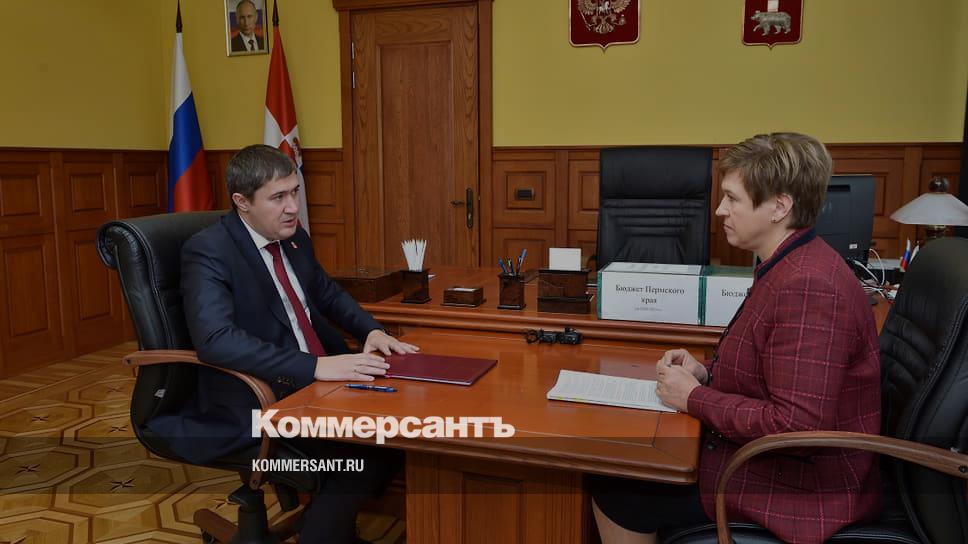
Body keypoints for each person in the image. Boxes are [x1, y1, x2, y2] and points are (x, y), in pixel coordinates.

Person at [589, 133, 881, 544]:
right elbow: (769, 369)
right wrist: (706, 373)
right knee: (624, 461)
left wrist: (693, 397)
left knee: (617, 486)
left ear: (779, 206)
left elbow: (796, 426)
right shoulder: (789, 264)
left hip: (800, 488)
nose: (719, 210)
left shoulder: (809, 286)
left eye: (732, 198)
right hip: (773, 464)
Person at [151, 144, 418, 543]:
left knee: (400, 431)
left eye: (295, 192)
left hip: (314, 381)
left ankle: (321, 526)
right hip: (257, 394)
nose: (293, 207)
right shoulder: (209, 251)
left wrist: (371, 331)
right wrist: (315, 366)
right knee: (366, 453)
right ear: (242, 202)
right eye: (278, 197)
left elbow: (327, 293)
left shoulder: (293, 237)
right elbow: (215, 340)